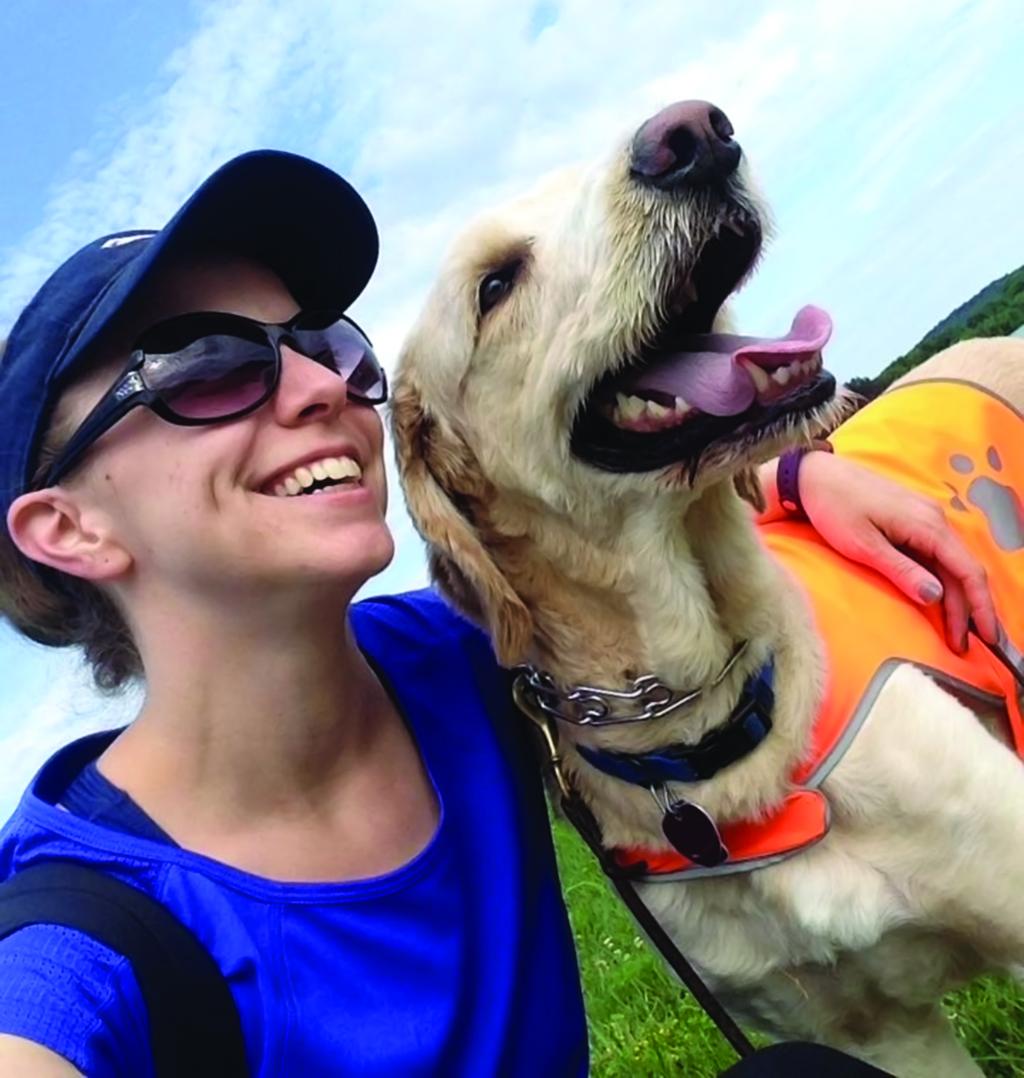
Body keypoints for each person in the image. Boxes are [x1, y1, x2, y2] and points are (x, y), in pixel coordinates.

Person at [0, 150, 994, 1077]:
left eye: (324, 342)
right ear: (69, 529)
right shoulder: (82, 938)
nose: (316, 386)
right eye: (201, 363)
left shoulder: (472, 663)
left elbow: (580, 542)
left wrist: (786, 467)